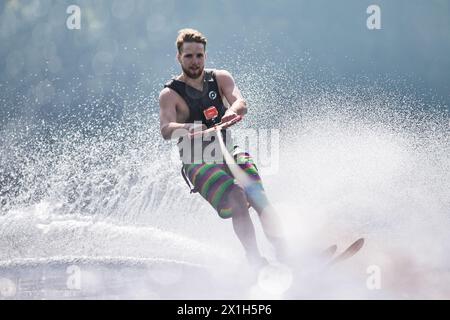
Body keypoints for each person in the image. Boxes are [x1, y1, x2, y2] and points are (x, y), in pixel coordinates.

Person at [159, 28, 286, 267]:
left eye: (199, 55)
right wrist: (190, 129)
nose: (195, 61)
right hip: (196, 160)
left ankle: (286, 254)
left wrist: (231, 112)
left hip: (227, 149)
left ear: (205, 56)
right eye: (188, 56)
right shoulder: (170, 94)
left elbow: (240, 102)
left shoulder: (220, 78)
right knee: (237, 195)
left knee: (256, 194)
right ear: (179, 58)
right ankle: (254, 260)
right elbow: (166, 129)